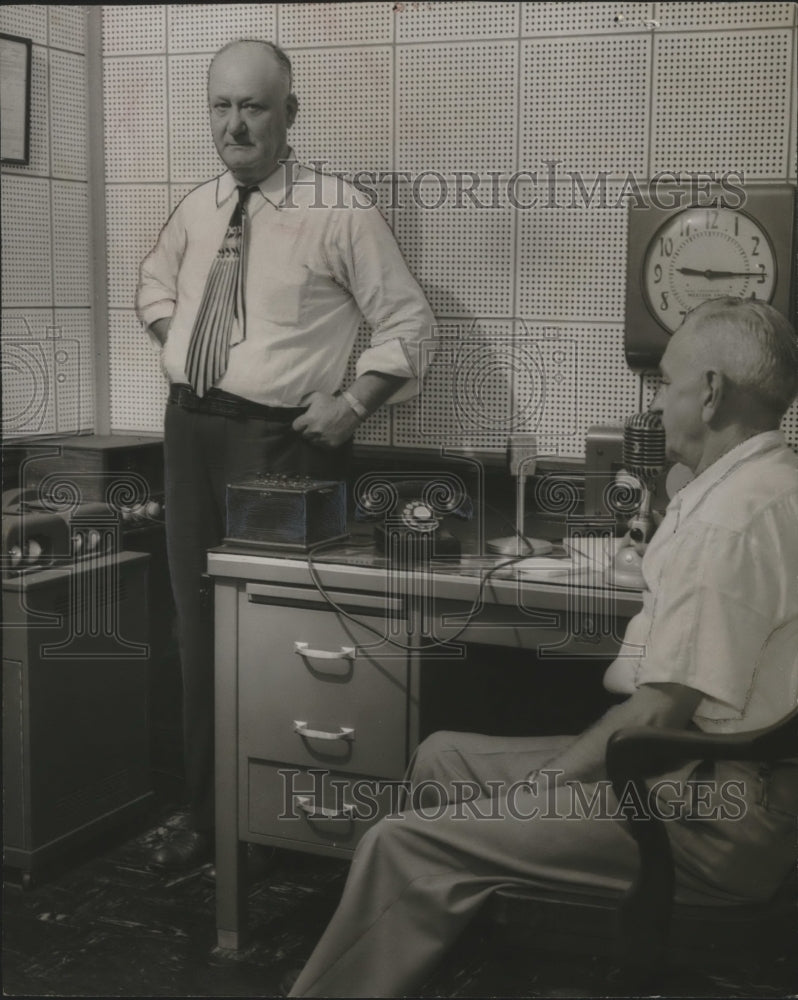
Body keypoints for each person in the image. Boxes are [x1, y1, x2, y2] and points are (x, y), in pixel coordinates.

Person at [287, 296, 798, 998]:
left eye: (666, 385)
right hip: (701, 782)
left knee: (401, 843)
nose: (655, 407)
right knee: (444, 756)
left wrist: (543, 789)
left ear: (710, 393)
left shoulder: (735, 521)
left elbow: (656, 716)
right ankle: (454, 972)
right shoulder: (766, 485)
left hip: (712, 819)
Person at [135, 39, 435, 870]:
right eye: (221, 107)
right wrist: (183, 345)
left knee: (283, 639)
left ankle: (299, 832)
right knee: (197, 633)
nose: (235, 125)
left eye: (254, 107)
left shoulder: (341, 209)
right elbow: (152, 286)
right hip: (188, 430)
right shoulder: (198, 207)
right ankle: (207, 816)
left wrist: (354, 401)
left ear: (290, 114)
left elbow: (411, 327)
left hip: (280, 449)